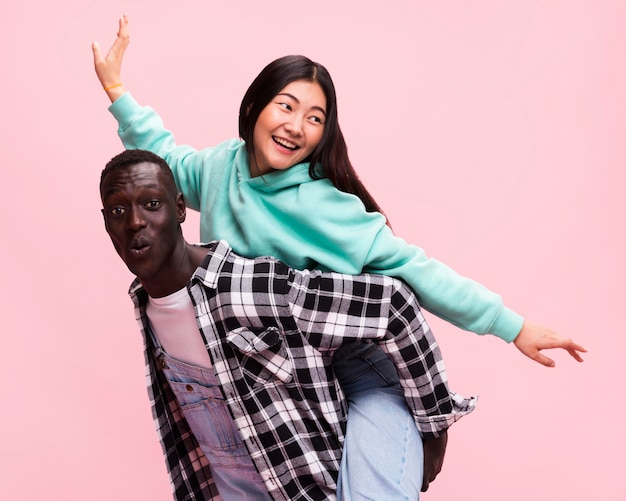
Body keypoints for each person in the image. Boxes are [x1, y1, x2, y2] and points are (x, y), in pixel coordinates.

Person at [92, 14, 586, 496]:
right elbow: (162, 160)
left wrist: (511, 325)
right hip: (299, 375)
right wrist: (117, 91)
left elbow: (414, 271)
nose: (296, 126)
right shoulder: (221, 166)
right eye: (286, 107)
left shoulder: (328, 207)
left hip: (358, 367)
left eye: (314, 118)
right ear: (255, 108)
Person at [100, 148, 475, 500]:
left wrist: (433, 424)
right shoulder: (147, 310)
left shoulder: (254, 286)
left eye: (152, 204)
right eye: (118, 211)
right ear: (106, 224)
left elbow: (393, 304)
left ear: (180, 208)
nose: (135, 222)